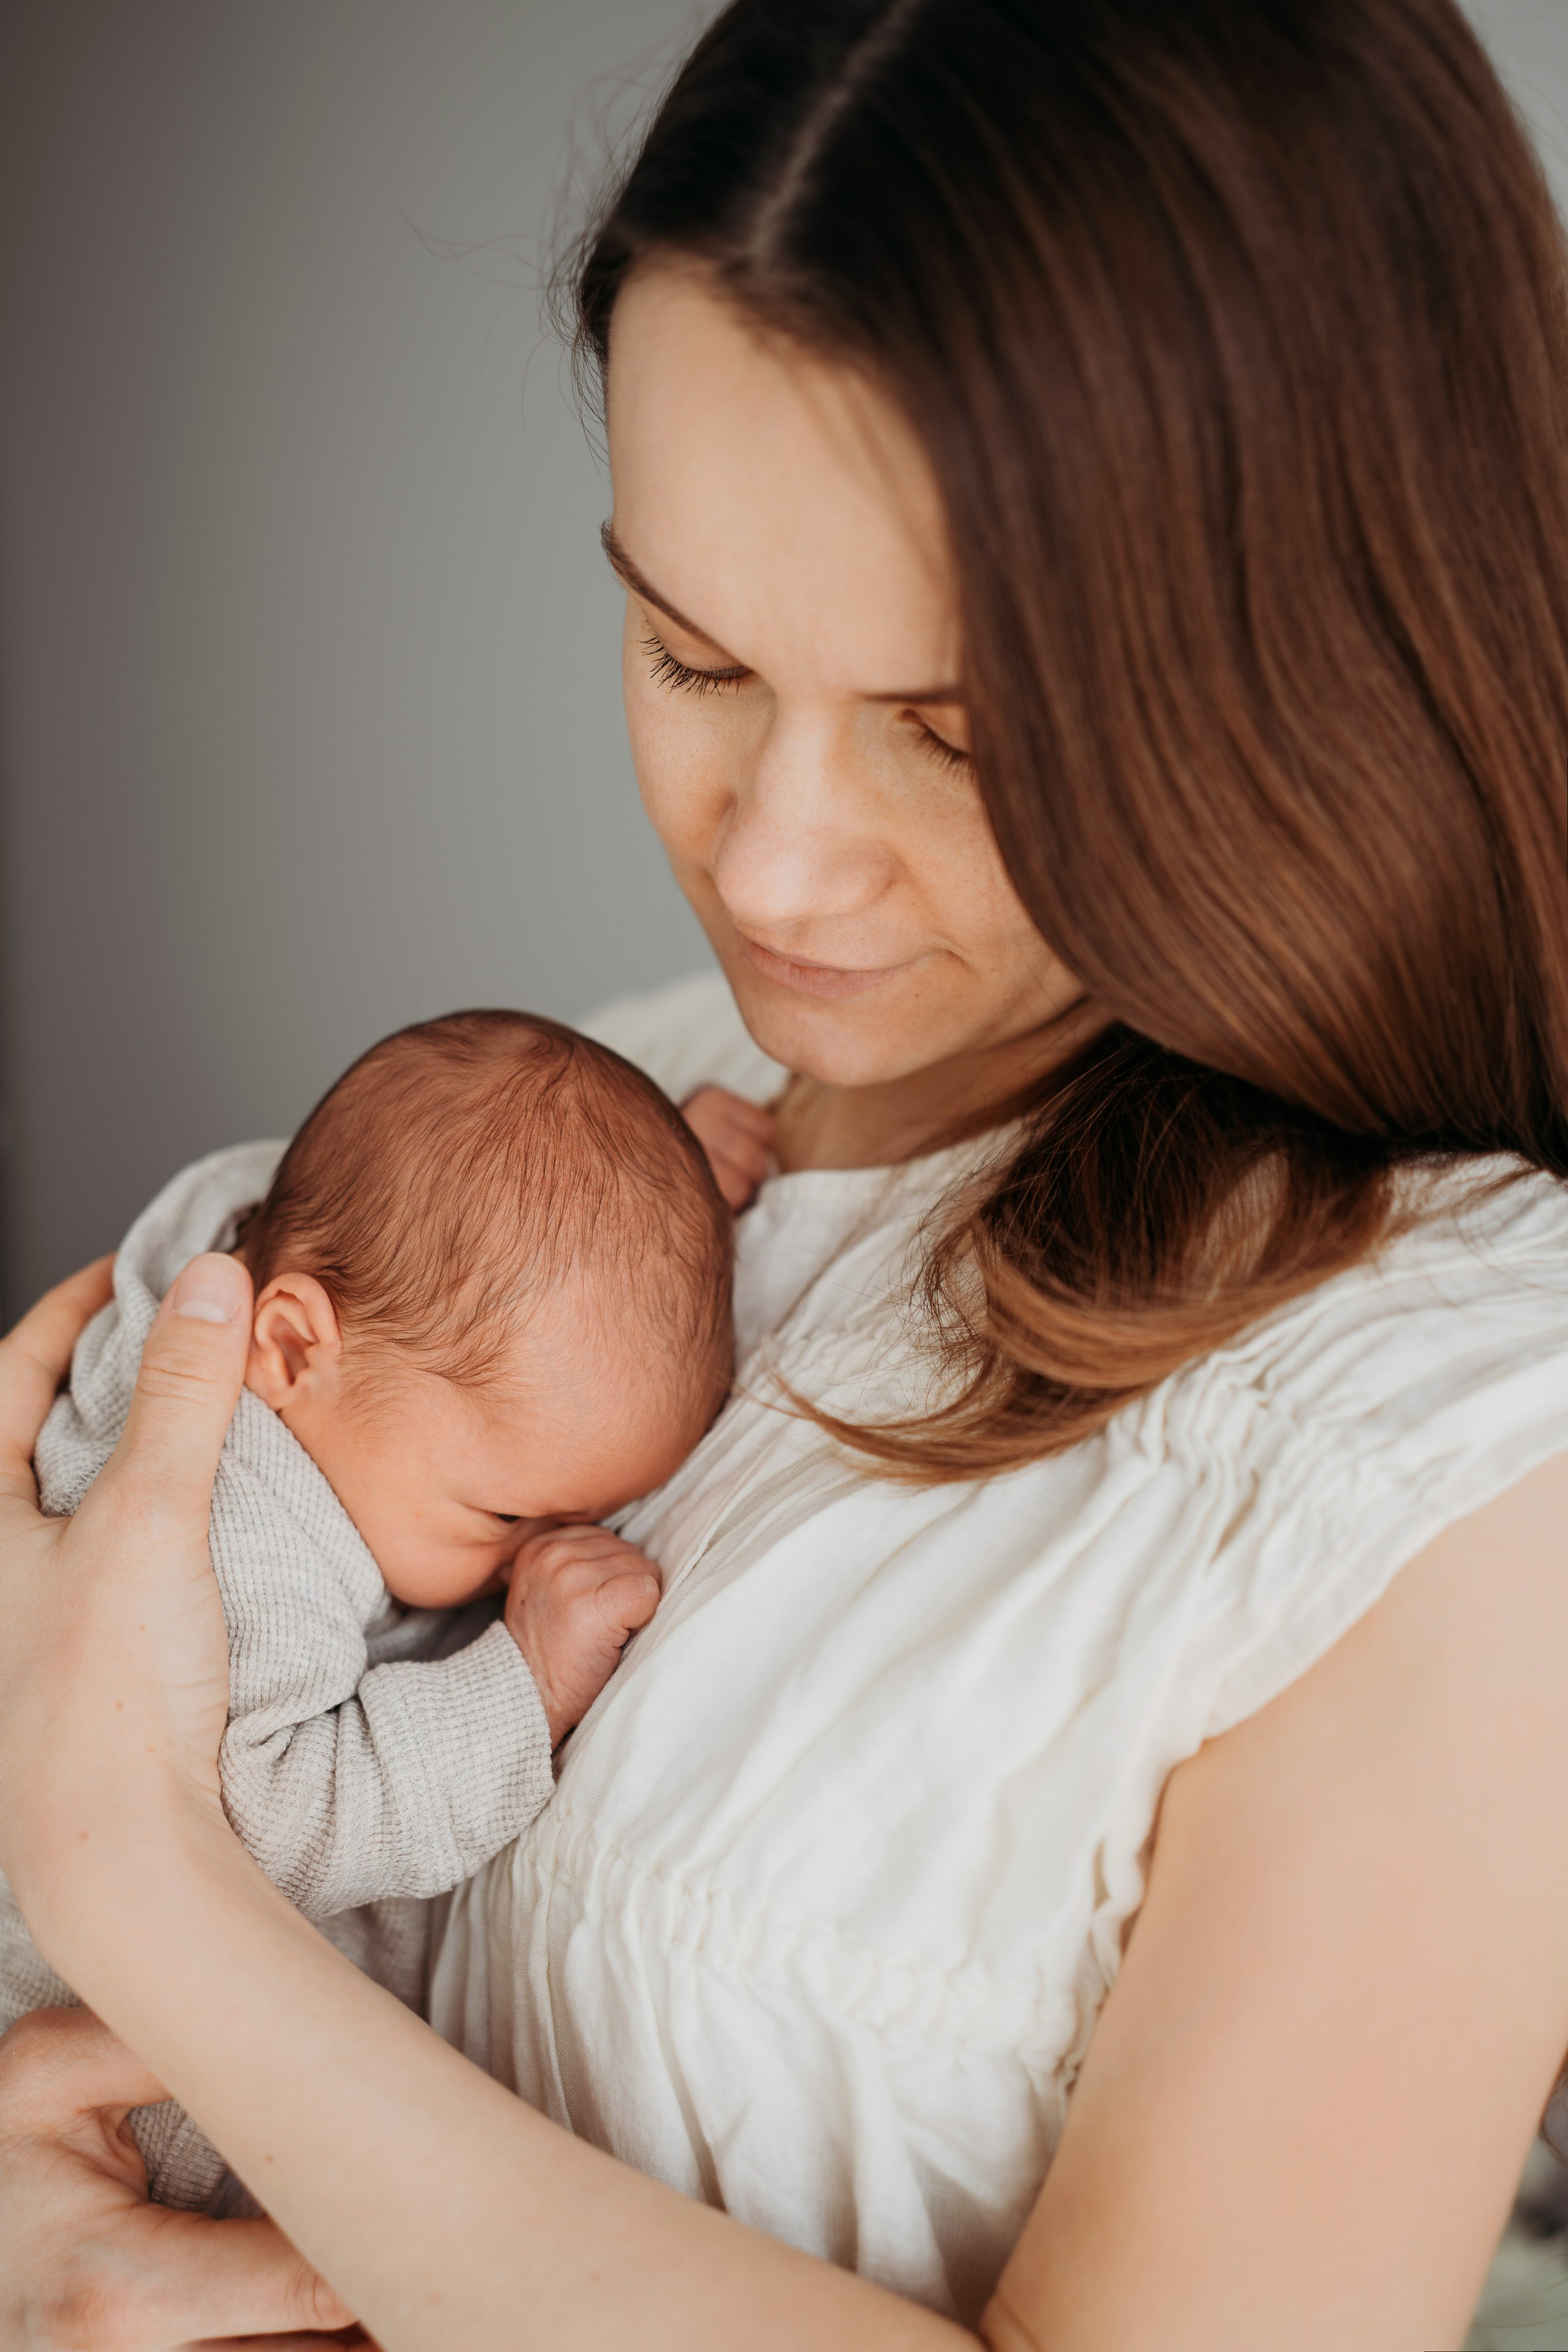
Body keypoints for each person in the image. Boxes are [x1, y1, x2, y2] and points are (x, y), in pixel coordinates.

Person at [3, 0, 1568, 2343]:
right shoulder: (603, 1129)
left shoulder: (1455, 1445)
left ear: (1298, 670)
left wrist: (135, 1879)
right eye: (689, 653)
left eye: (957, 732)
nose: (778, 871)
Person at [0, 1007, 736, 2213]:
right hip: (127, 2096)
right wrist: (522, 1687)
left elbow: (500, 1245)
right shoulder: (234, 1540)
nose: (528, 1561)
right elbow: (257, 1825)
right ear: (290, 1350)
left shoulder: (273, 1251)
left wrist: (660, 1236)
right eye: (502, 1517)